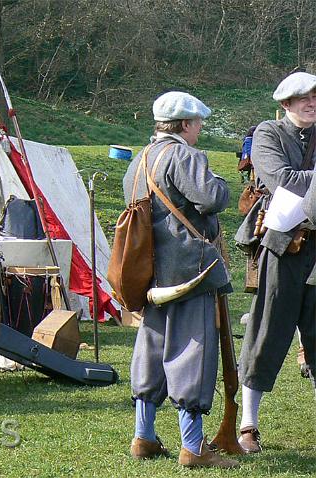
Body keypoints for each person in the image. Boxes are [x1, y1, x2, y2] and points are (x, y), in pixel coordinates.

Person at [123, 92, 237, 468]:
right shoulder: (184, 156)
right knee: (192, 355)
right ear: (186, 125)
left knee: (151, 352)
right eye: (198, 123)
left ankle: (144, 437)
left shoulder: (138, 161)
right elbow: (213, 198)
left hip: (150, 274)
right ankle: (193, 446)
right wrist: (219, 180)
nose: (200, 129)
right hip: (190, 271)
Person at [237, 72, 316, 454]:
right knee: (266, 334)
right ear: (286, 103)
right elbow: (281, 179)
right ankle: (247, 425)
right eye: (304, 98)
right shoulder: (269, 133)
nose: (312, 103)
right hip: (284, 245)